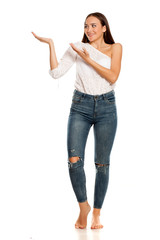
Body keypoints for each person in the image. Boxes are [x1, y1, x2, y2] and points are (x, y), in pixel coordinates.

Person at [31, 11, 122, 229]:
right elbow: (55, 73)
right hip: (79, 106)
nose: (88, 30)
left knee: (102, 164)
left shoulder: (115, 47)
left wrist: (89, 60)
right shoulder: (77, 48)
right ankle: (84, 206)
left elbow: (112, 76)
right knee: (74, 160)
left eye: (93, 26)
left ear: (103, 28)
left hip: (107, 107)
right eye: (85, 26)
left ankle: (97, 214)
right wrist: (51, 44)